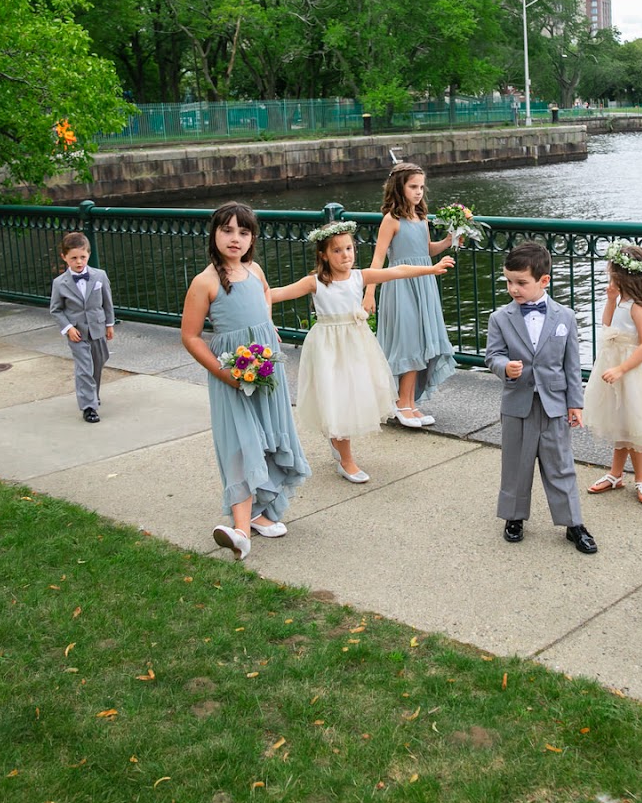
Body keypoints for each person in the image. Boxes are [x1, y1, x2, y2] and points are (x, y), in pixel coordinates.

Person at [271, 220, 455, 483]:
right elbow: (278, 294)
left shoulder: (360, 276)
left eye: (349, 248)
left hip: (356, 346)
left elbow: (399, 270)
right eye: (337, 251)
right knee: (336, 398)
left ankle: (338, 443)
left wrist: (431, 268)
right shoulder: (314, 283)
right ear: (323, 254)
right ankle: (346, 459)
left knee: (353, 397)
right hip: (328, 348)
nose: (345, 255)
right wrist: (253, 292)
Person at [180, 203, 310, 562]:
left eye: (243, 232)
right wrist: (227, 374)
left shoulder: (254, 270)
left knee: (270, 435)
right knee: (240, 442)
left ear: (252, 237)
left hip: (266, 370)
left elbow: (264, 293)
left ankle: (261, 513)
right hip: (231, 373)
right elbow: (190, 336)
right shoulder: (204, 282)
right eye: (227, 230)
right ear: (214, 234)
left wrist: (267, 328)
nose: (235, 238)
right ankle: (239, 531)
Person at [485, 242, 597, 554]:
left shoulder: (565, 317)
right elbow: (492, 355)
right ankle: (514, 516)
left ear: (543, 281)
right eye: (508, 281)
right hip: (517, 404)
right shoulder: (500, 318)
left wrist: (576, 403)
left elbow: (571, 366)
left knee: (560, 465)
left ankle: (573, 523)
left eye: (521, 283)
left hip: (554, 404)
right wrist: (505, 368)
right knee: (516, 465)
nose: (513, 289)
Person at [363, 162, 458, 428]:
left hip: (424, 283)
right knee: (408, 342)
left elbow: (426, 250)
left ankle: (410, 403)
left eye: (421, 187)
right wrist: (369, 293)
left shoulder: (421, 218)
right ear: (399, 187)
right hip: (400, 286)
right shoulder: (391, 220)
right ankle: (401, 404)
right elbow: (377, 259)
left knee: (421, 341)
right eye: (413, 187)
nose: (419, 192)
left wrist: (448, 241)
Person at [583, 241, 642, 504]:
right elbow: (607, 322)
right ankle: (615, 473)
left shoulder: (638, 307)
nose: (609, 276)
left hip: (632, 370)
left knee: (636, 424)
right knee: (620, 420)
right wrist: (611, 299)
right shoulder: (621, 300)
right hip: (614, 363)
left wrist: (622, 368)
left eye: (612, 272)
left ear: (623, 276)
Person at [48, 231, 115, 423]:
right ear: (64, 257)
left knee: (98, 361)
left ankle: (93, 394)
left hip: (98, 327)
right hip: (76, 332)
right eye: (74, 258)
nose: (79, 262)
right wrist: (68, 328)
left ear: (88, 255)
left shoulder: (99, 276)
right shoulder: (60, 283)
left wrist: (109, 324)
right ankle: (89, 407)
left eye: (83, 257)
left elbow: (107, 302)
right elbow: (56, 310)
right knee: (84, 367)